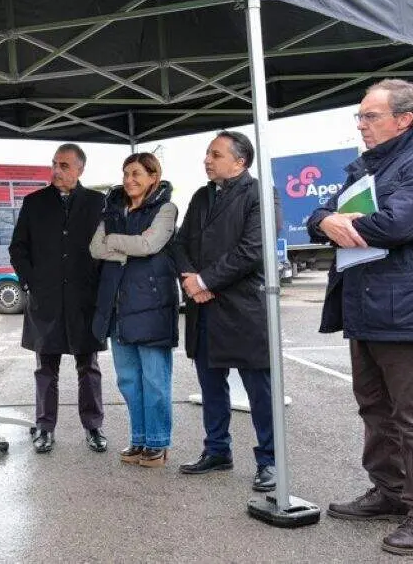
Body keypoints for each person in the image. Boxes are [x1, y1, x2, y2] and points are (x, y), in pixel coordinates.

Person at [307, 78, 413, 556]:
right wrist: (325, 221)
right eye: (359, 116)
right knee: (375, 408)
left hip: (407, 312)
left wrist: (338, 222)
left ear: (405, 119)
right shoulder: (365, 167)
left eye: (370, 116)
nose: (361, 124)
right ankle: (390, 491)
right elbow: (320, 214)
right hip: (365, 308)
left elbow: (396, 225)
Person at [171, 130, 277, 493]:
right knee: (211, 386)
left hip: (243, 309)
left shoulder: (260, 194)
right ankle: (217, 450)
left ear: (240, 161)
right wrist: (189, 279)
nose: (207, 160)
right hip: (203, 309)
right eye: (207, 154)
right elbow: (179, 242)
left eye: (215, 154)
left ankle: (270, 461)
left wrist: (205, 281)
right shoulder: (201, 196)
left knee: (259, 392)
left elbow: (253, 250)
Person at [9, 143, 108, 454]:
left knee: (88, 368)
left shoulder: (97, 203)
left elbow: (108, 249)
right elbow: (18, 249)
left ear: (80, 169)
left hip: (84, 301)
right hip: (47, 300)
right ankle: (44, 427)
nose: (56, 171)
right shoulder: (34, 203)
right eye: (54, 164)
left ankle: (93, 427)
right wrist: (32, 282)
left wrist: (101, 288)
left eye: (64, 165)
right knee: (45, 369)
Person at [90, 153, 178, 467]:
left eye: (137, 173)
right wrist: (129, 245)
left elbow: (149, 245)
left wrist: (116, 242)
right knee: (128, 380)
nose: (129, 180)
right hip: (118, 306)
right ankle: (139, 438)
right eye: (126, 173)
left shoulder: (165, 209)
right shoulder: (113, 208)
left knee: (155, 380)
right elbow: (94, 249)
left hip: (152, 306)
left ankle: (157, 443)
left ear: (154, 177)